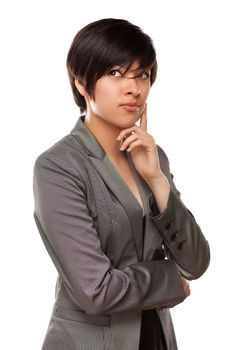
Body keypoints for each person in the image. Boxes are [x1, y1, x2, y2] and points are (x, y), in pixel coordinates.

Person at [33, 18, 210, 350]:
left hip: (156, 339)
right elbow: (95, 291)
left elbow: (196, 262)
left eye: (142, 74)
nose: (134, 88)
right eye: (115, 73)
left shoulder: (152, 157)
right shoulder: (58, 167)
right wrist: (170, 280)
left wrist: (156, 180)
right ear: (81, 83)